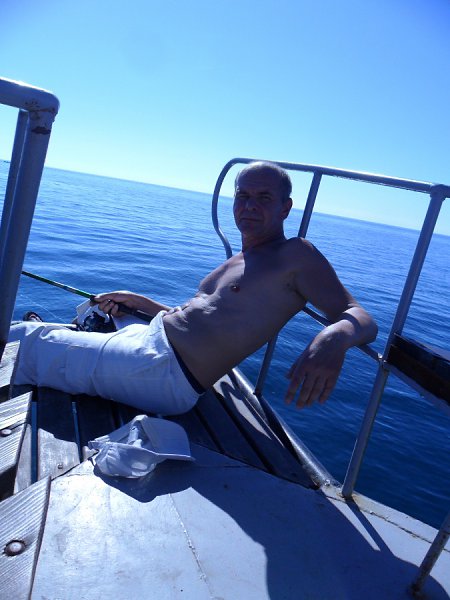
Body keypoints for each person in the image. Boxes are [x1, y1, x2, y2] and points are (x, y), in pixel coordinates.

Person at [9, 162, 377, 415]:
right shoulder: (243, 258)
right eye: (243, 196)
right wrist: (139, 301)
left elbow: (360, 316)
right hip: (152, 340)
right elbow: (201, 314)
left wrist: (334, 338)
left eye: (264, 197)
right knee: (90, 316)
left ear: (285, 207)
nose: (249, 206)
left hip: (162, 372)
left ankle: (49, 344)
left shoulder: (295, 254)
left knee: (24, 339)